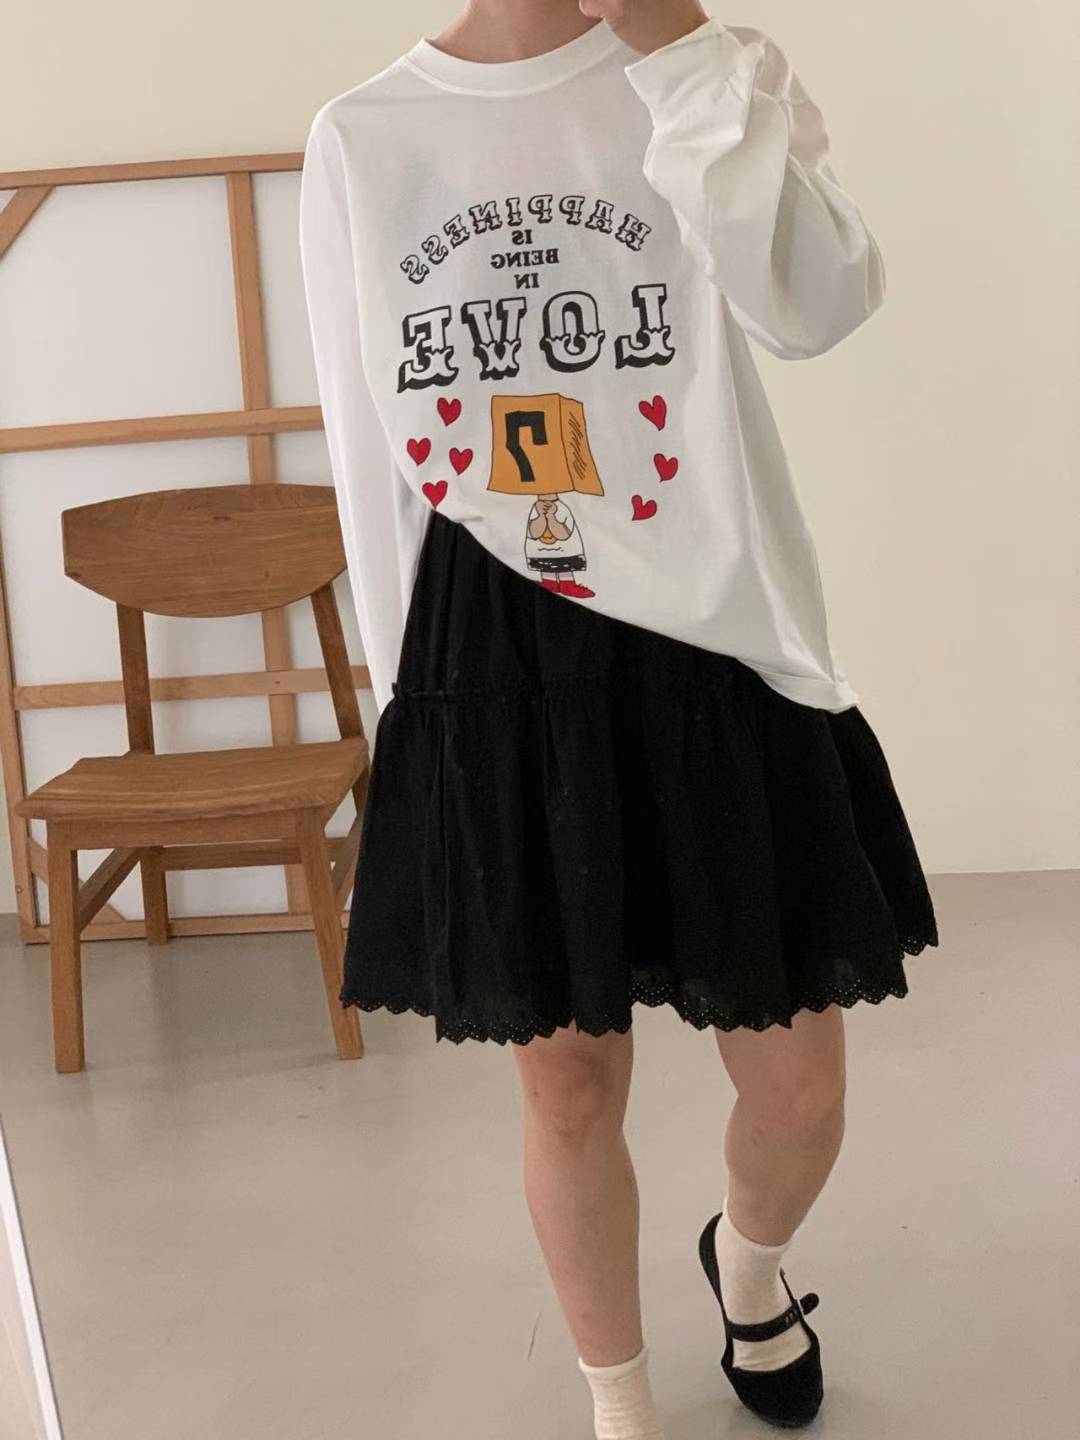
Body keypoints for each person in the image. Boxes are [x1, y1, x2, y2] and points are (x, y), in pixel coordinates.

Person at [298, 2, 939, 1433]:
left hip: (711, 627)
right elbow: (370, 439)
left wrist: (682, 52)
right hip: (495, 650)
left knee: (800, 1087)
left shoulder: (709, 71)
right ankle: (622, 1409)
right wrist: (415, 717)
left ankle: (750, 1269)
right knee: (571, 1086)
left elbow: (815, 306)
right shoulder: (366, 136)